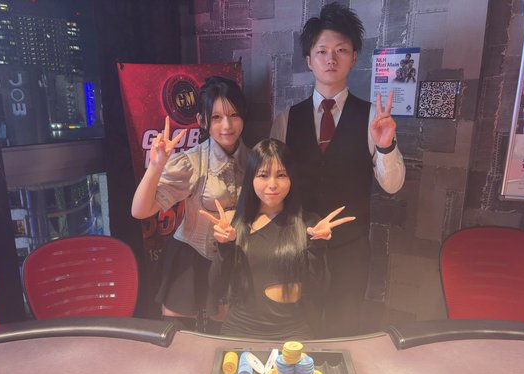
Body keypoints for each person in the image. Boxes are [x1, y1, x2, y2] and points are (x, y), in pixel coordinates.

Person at [270, 3, 405, 337]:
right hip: (298, 245)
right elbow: (272, 187)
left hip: (351, 248)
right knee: (297, 330)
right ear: (309, 60)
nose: (331, 59)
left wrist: (386, 145)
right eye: (322, 51)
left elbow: (392, 186)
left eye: (341, 50)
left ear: (354, 57)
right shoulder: (286, 119)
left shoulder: (373, 117)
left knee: (344, 330)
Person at [200, 138, 354, 340]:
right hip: (240, 330)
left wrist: (318, 246)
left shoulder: (309, 224)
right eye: (263, 175)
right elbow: (217, 287)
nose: (272, 184)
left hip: (293, 332)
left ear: (291, 179)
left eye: (281, 175)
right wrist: (224, 246)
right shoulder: (233, 225)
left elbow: (319, 292)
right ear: (251, 178)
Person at [131, 76, 248, 331]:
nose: (227, 125)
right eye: (216, 117)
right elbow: (140, 211)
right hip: (189, 258)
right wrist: (155, 166)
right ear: (202, 121)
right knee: (180, 340)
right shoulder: (191, 162)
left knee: (223, 339)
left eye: (234, 115)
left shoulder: (254, 161)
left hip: (231, 259)